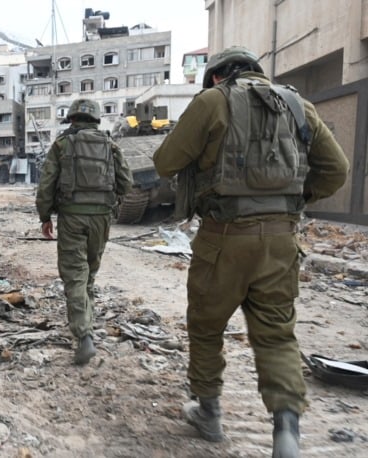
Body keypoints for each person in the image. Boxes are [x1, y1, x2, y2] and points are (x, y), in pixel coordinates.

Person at [153, 46, 349, 457]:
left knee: (207, 326)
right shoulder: (298, 105)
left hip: (222, 237)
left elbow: (166, 162)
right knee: (277, 335)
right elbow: (337, 169)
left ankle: (209, 413)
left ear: (216, 75)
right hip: (281, 240)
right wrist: (293, 200)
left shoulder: (212, 101)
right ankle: (287, 431)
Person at [35, 98, 133, 366]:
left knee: (75, 275)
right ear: (96, 119)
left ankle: (84, 335)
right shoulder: (110, 144)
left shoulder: (62, 144)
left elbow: (46, 184)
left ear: (72, 119)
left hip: (72, 217)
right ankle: (86, 323)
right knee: (88, 274)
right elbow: (127, 183)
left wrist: (45, 216)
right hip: (101, 218)